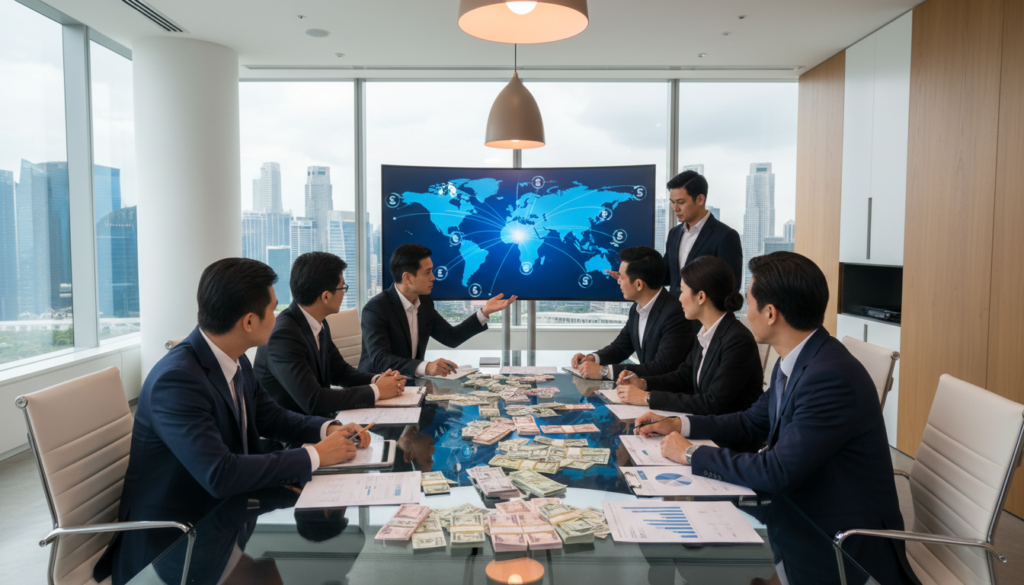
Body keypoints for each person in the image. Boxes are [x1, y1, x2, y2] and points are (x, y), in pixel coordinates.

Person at [633, 252, 918, 585]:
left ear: (770, 314)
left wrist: (691, 453)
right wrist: (680, 424)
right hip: (798, 510)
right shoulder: (800, 358)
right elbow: (751, 421)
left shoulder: (829, 377)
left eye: (750, 303)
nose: (744, 311)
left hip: (840, 542)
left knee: (701, 565)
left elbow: (777, 471)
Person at [95, 258, 371, 585]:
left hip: (226, 523)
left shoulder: (232, 357)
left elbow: (271, 416)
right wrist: (316, 455)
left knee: (319, 562)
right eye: (273, 309)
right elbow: (220, 474)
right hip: (172, 547)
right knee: (316, 568)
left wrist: (328, 429)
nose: (279, 315)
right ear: (250, 321)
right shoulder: (177, 381)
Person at [254, 252, 406, 417]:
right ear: (325, 296)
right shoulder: (283, 336)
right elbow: (314, 400)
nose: (343, 293)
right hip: (288, 435)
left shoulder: (318, 322)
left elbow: (340, 372)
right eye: (343, 288)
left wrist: (377, 380)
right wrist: (376, 391)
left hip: (317, 422)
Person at [614, 255, 762, 417]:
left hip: (725, 437)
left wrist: (647, 397)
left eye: (682, 291)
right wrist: (643, 383)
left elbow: (712, 403)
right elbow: (683, 376)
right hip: (704, 425)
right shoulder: (706, 331)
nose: (679, 298)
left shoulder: (737, 340)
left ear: (700, 297)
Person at [359, 243, 517, 377]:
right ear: (407, 278)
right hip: (377, 389)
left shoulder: (424, 302)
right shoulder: (376, 309)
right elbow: (381, 360)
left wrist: (485, 312)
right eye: (427, 273)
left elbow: (451, 337)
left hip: (410, 385)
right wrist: (425, 367)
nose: (433, 277)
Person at [570, 246, 688, 380]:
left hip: (665, 394)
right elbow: (621, 347)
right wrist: (592, 358)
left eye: (621, 277)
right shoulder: (636, 308)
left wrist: (605, 371)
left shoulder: (676, 313)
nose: (618, 281)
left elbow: (662, 366)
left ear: (638, 284)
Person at [663, 170, 743, 355]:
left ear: (700, 199)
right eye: (672, 203)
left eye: (681, 202)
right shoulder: (674, 233)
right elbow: (667, 274)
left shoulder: (725, 236)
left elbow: (731, 285)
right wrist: (635, 273)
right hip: (674, 322)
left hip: (706, 326)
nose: (675, 208)